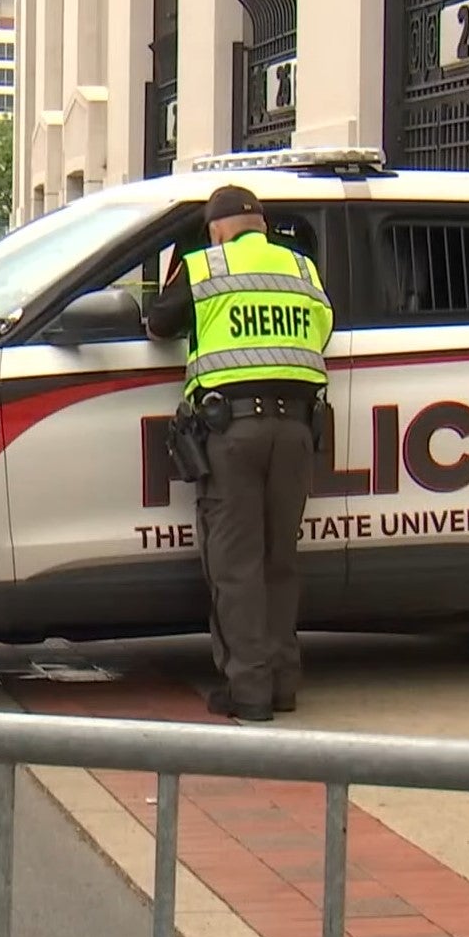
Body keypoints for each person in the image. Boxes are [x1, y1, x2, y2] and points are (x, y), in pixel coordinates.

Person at [146, 185, 334, 722]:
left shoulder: (204, 267)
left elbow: (159, 323)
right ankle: (281, 684)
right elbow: (321, 332)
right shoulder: (302, 270)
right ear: (263, 225)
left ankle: (248, 692)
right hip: (297, 431)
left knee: (236, 567)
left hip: (232, 434)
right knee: (280, 562)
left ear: (217, 228)